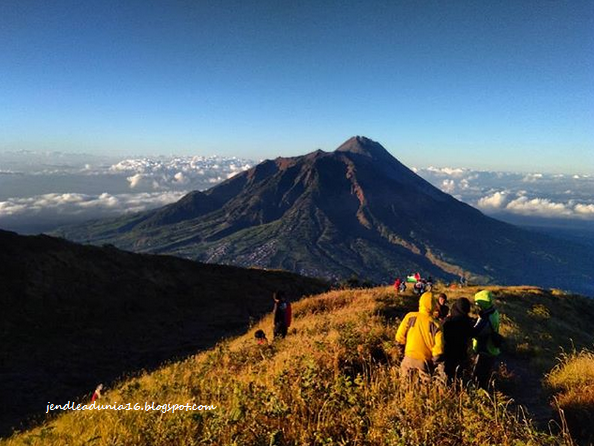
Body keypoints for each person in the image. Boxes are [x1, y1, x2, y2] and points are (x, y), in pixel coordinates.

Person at [395, 291, 444, 383]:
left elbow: (399, 337)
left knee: (405, 387)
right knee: (424, 390)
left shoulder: (410, 317)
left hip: (408, 358)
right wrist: (433, 364)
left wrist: (402, 353)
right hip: (424, 362)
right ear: (433, 304)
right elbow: (438, 349)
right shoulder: (436, 325)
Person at [472, 290, 501, 389]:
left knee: (479, 375)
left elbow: (476, 333)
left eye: (479, 304)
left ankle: (480, 393)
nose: (477, 306)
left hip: (485, 349)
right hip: (492, 348)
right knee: (486, 373)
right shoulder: (494, 313)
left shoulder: (486, 319)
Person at [442, 298, 475, 383]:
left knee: (448, 374)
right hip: (461, 353)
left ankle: (448, 390)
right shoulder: (468, 323)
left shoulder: (448, 321)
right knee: (458, 375)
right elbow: (472, 334)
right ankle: (457, 389)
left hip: (448, 352)